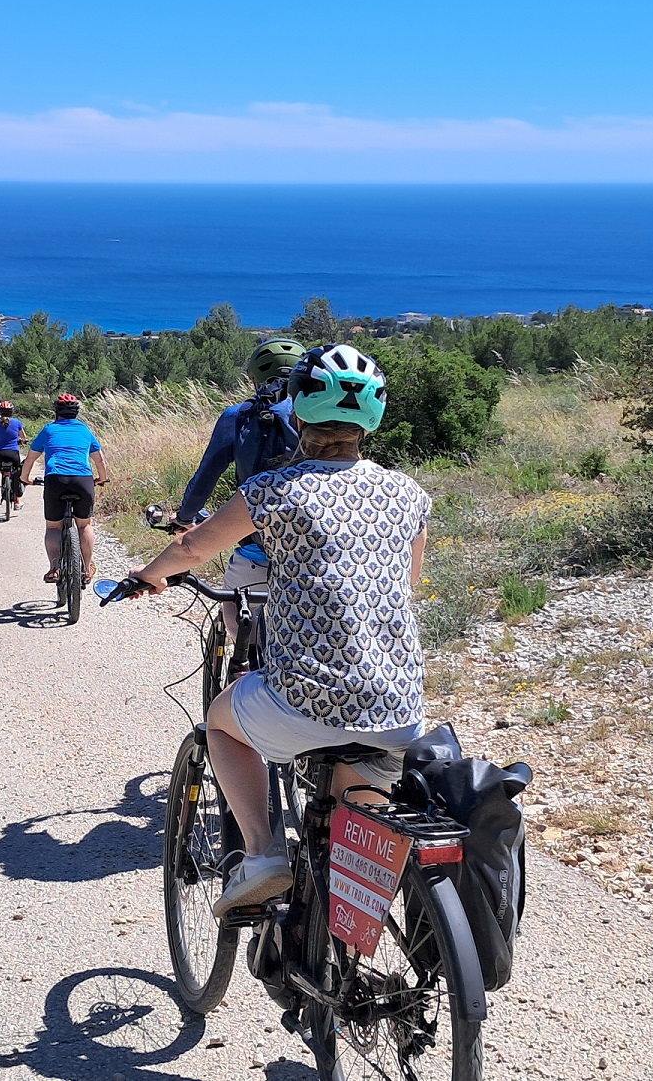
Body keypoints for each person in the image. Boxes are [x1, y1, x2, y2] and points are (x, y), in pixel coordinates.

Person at [128, 345, 429, 915]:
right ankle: (345, 967)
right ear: (374, 417)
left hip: (307, 700)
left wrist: (148, 576)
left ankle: (264, 855)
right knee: (353, 847)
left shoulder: (274, 490)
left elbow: (193, 547)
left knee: (220, 724)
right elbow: (410, 576)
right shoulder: (409, 494)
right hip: (398, 707)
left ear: (301, 411)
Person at [174, 338, 305, 638]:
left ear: (254, 377)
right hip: (307, 557)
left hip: (255, 551)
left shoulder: (238, 416)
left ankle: (242, 667)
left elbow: (206, 476)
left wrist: (184, 517)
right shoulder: (314, 419)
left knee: (236, 621)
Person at [21, 394, 111, 584]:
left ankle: (55, 568)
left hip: (56, 479)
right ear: (76, 412)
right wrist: (102, 478)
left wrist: (25, 478)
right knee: (84, 525)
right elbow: (99, 459)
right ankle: (86, 568)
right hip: (82, 480)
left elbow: (31, 458)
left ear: (56, 411)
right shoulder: (85, 430)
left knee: (53, 526)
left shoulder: (49, 429)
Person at [0, 401, 27, 499]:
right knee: (17, 472)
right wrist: (23, 441)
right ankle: (17, 499)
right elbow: (23, 437)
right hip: (13, 454)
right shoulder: (17, 422)